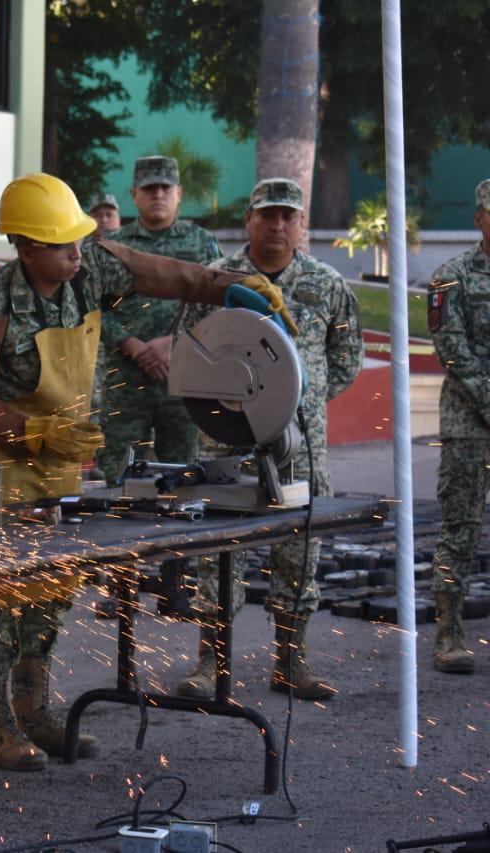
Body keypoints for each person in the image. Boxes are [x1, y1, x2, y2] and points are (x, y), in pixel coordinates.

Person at [0, 173, 291, 771]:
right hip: (2, 469)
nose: (76, 252)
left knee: (49, 595)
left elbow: (165, 273)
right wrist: (32, 432)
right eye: (59, 245)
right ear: (24, 246)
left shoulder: (91, 270)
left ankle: (36, 710)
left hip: (60, 469)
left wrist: (232, 285)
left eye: (77, 240)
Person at [172, 178, 362, 701]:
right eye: (267, 215)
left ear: (302, 225)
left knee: (299, 550)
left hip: (301, 443)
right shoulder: (218, 282)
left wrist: (294, 399)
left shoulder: (327, 285)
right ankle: (210, 662)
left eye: (288, 217)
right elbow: (188, 352)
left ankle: (290, 661)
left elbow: (346, 361)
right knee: (216, 550)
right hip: (224, 436)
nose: (278, 226)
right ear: (249, 220)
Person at [94, 155, 222, 485]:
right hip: (124, 381)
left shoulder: (201, 244)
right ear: (134, 194)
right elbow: (91, 306)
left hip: (181, 383)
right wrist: (131, 344)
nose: (158, 195)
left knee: (181, 480)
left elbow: (219, 306)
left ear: (179, 193)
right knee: (116, 476)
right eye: (150, 189)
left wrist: (174, 344)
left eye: (165, 188)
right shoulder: (112, 246)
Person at [425, 177, 490, 675]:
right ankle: (449, 631)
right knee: (461, 528)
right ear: (479, 219)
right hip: (470, 422)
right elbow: (454, 352)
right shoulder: (454, 277)